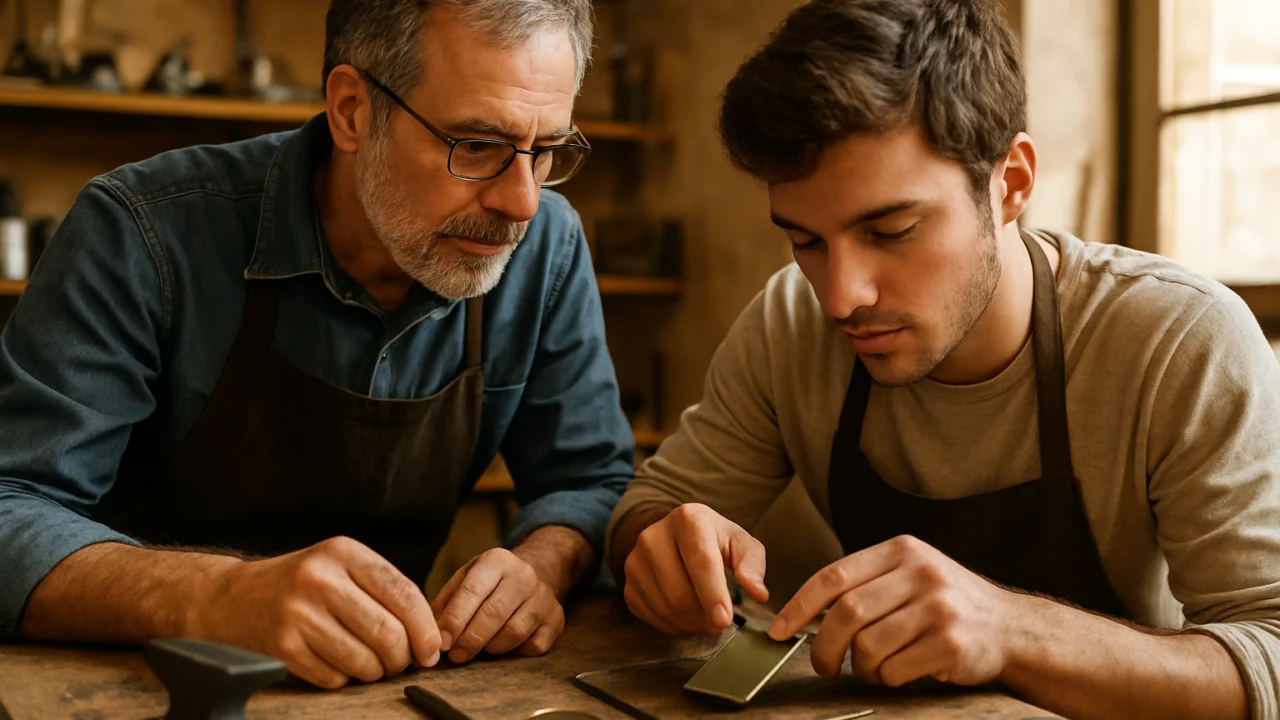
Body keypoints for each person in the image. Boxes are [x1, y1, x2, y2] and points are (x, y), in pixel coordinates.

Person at [606, 1, 1280, 718]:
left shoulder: (1179, 340)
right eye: (805, 242)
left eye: (892, 230)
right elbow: (646, 509)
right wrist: (655, 547)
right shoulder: (789, 323)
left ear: (1011, 183)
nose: (841, 297)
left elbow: (1270, 653)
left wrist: (1012, 630)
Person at [0, 0, 634, 690]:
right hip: (147, 684)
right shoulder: (144, 235)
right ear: (352, 110)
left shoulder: (547, 246)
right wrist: (213, 597)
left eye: (546, 152)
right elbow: (10, 505)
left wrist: (545, 562)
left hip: (387, 689)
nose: (520, 204)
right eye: (476, 146)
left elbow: (591, 483)